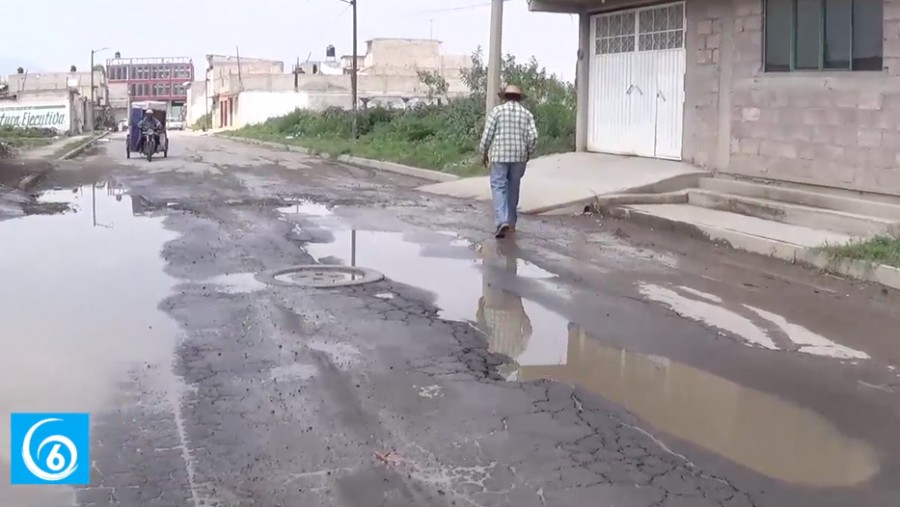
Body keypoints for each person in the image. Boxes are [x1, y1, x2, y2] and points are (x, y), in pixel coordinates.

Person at [478, 84, 538, 239]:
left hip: (499, 156)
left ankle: (501, 221)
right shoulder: (527, 114)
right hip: (519, 157)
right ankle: (511, 223)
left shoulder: (497, 112)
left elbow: (487, 135)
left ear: (504, 97)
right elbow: (533, 137)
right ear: (519, 98)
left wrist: (483, 153)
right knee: (513, 188)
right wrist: (528, 152)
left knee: (498, 186)